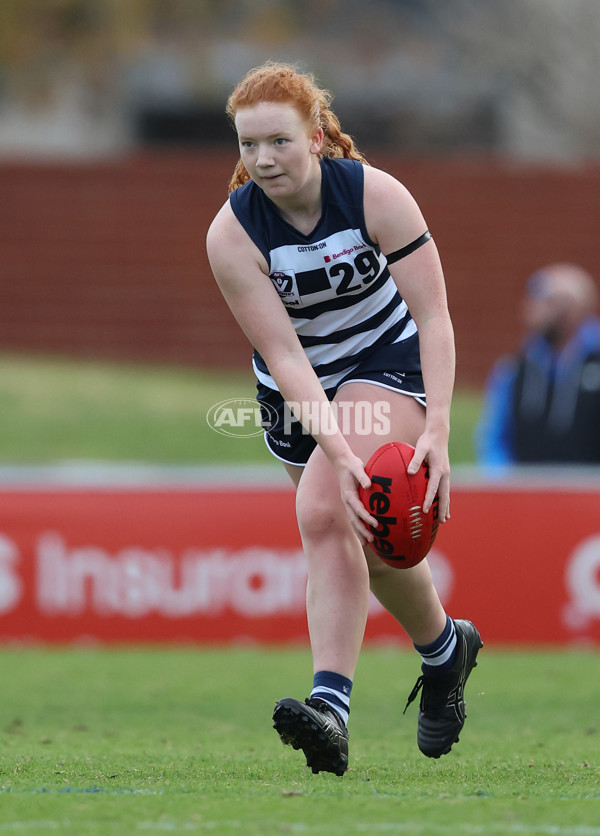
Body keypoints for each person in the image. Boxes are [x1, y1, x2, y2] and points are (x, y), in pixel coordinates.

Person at [206, 62, 482, 776]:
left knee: (329, 509)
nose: (263, 160)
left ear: (318, 135)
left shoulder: (376, 194)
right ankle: (446, 649)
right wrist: (334, 442)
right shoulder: (232, 236)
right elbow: (286, 357)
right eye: (247, 145)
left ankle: (330, 705)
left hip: (383, 358)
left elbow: (434, 317)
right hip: (296, 385)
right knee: (373, 539)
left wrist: (439, 430)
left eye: (279, 142)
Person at [477, 264, 600, 466]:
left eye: (546, 302)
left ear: (571, 310)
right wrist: (502, 484)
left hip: (591, 493)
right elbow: (494, 440)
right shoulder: (513, 370)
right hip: (527, 492)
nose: (531, 309)